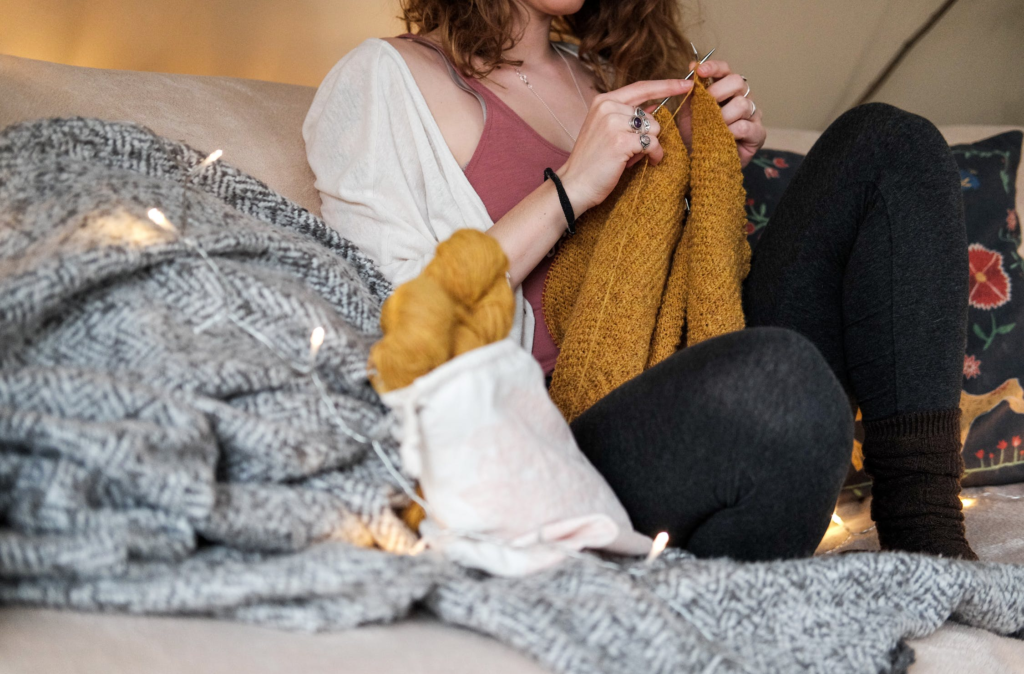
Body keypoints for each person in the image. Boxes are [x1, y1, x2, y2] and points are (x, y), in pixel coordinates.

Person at [303, 0, 975, 561]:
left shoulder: (606, 76)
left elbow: (683, 288)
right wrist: (571, 187)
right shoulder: (386, 78)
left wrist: (710, 173)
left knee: (887, 141)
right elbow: (396, 320)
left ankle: (930, 542)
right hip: (568, 446)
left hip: (695, 382)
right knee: (782, 382)